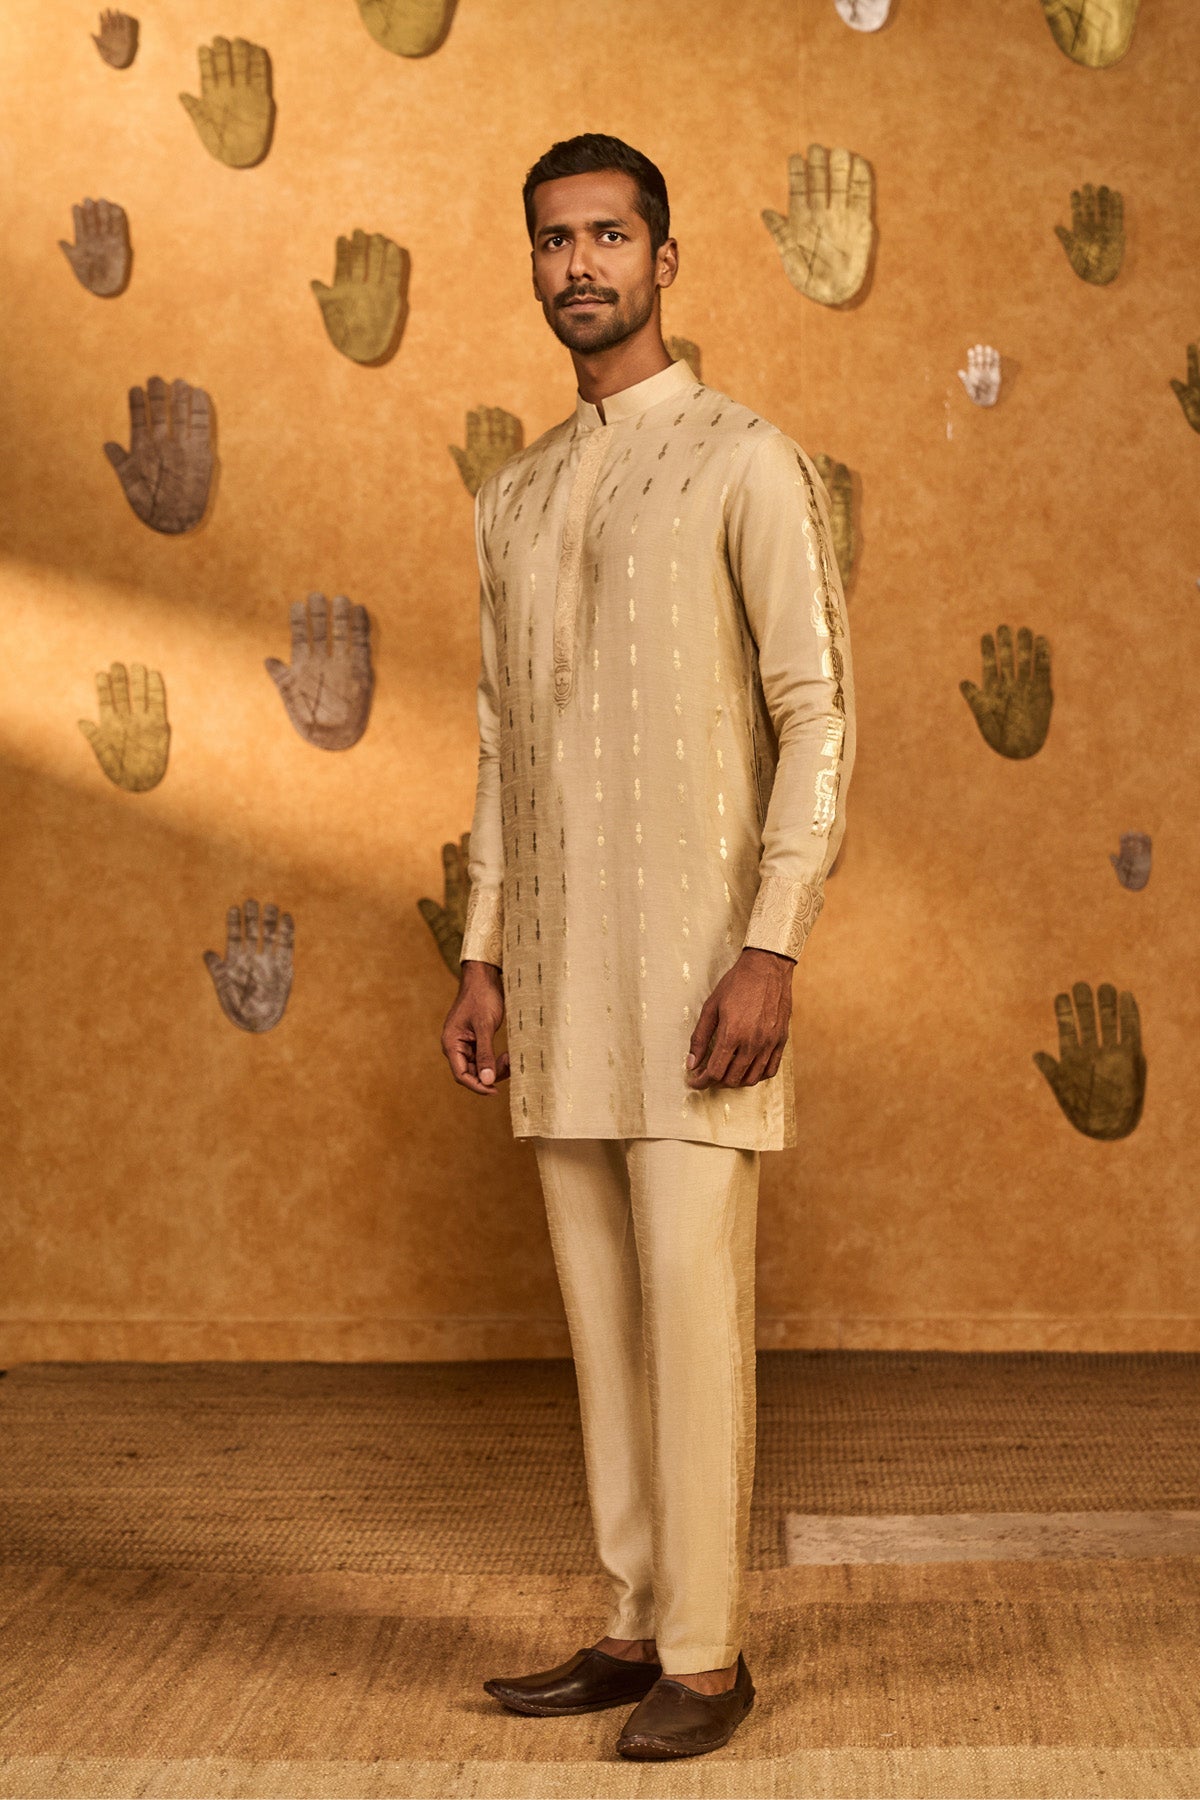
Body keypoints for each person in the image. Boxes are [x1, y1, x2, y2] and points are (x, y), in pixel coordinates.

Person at [440, 132, 856, 1761]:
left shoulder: (750, 461)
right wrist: (484, 954)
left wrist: (772, 946)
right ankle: (629, 1625)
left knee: (691, 1311)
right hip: (558, 969)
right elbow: (502, 739)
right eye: (556, 240)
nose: (580, 266)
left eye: (609, 237)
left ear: (665, 260)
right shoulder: (515, 493)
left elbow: (819, 714)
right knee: (602, 1318)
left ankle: (707, 1653)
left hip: (701, 971)